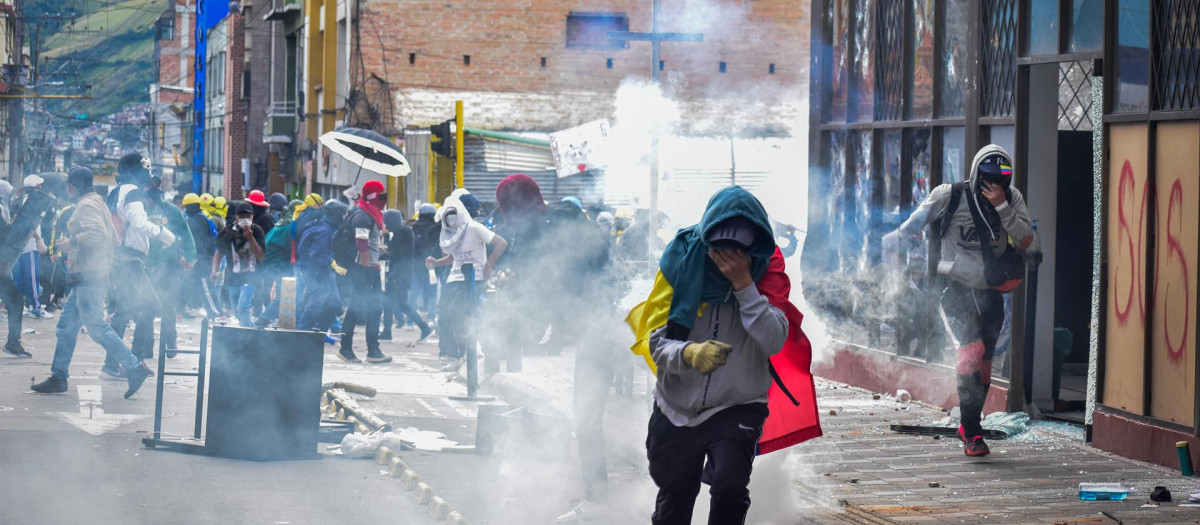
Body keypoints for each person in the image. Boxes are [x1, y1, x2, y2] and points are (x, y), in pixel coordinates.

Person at [638, 186, 796, 524]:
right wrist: (690, 354)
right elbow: (656, 343)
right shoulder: (681, 261)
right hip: (676, 408)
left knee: (728, 487)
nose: (731, 254)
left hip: (738, 404)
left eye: (741, 247)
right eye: (723, 245)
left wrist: (744, 285)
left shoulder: (767, 270)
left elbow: (773, 340)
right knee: (674, 502)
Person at [894, 144, 1033, 457]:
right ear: (976, 175)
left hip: (991, 290)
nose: (994, 186)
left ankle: (969, 424)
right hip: (953, 287)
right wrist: (917, 245)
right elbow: (909, 227)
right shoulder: (949, 195)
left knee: (985, 363)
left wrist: (1001, 206)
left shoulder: (1012, 198)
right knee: (971, 351)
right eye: (988, 180)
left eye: (1001, 181)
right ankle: (972, 432)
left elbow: (1025, 238)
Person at [30, 167, 152, 397]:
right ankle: (58, 377)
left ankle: (133, 367)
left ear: (71, 187)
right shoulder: (97, 201)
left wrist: (70, 243)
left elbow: (99, 236)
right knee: (66, 328)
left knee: (97, 328)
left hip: (89, 277)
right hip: (88, 276)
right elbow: (114, 238)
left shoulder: (86, 205)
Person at [105, 153, 176, 374]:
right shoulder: (131, 191)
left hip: (127, 258)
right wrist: (164, 234)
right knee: (125, 312)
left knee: (148, 306)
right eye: (144, 169)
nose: (147, 174)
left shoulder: (118, 191)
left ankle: (131, 359)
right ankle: (115, 363)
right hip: (129, 259)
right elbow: (139, 223)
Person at [427, 195, 507, 365]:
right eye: (448, 217)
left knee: (463, 315)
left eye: (454, 215)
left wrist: (489, 265)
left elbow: (501, 243)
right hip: (454, 279)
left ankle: (475, 354)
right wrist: (437, 262)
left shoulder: (475, 228)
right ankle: (453, 355)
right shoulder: (451, 231)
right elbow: (454, 258)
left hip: (474, 278)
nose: (451, 219)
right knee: (444, 315)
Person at [337, 180, 392, 363]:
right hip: (363, 270)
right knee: (357, 307)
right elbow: (361, 244)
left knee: (375, 309)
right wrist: (368, 268)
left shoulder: (373, 214)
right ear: (372, 197)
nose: (384, 199)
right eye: (381, 195)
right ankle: (345, 348)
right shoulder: (362, 216)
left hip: (371, 268)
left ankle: (373, 350)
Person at [381, 209, 432, 342]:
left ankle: (424, 327)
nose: (385, 225)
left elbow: (392, 250)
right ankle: (423, 328)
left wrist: (385, 237)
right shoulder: (403, 230)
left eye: (386, 222)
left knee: (396, 303)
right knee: (397, 303)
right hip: (401, 272)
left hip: (399, 274)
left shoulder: (401, 231)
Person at [212, 202, 265, 327]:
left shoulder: (257, 231)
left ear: (252, 216)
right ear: (236, 217)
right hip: (234, 278)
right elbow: (218, 254)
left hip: (251, 277)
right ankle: (248, 332)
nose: (244, 219)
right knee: (237, 311)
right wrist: (214, 272)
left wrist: (251, 237)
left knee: (243, 307)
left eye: (247, 216)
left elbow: (261, 256)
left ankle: (249, 338)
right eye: (241, 216)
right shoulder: (229, 231)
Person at [297, 199, 344, 337]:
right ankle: (302, 333)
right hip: (315, 271)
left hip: (318, 270)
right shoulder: (324, 230)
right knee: (316, 302)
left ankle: (319, 333)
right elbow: (318, 255)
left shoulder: (323, 226)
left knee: (333, 304)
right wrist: (334, 265)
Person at [14, 175, 50, 319]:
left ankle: (20, 306)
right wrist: (39, 240)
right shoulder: (31, 203)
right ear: (33, 188)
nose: (41, 188)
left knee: (21, 278)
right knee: (33, 278)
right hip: (29, 246)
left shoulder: (22, 201)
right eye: (38, 186)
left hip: (21, 247)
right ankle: (36, 308)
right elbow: (30, 224)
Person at [182, 193, 222, 317]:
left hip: (202, 258)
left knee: (205, 286)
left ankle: (214, 312)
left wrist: (194, 259)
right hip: (205, 256)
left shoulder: (197, 220)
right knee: (192, 283)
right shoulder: (202, 217)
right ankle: (186, 308)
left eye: (187, 207)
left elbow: (200, 241)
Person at [410, 203, 440, 316]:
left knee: (413, 292)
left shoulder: (414, 228)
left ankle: (410, 320)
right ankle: (431, 318)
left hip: (416, 266)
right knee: (432, 293)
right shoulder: (436, 228)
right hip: (431, 266)